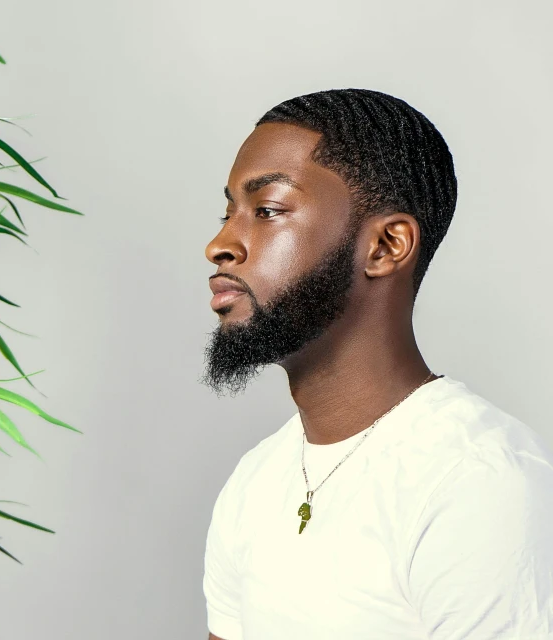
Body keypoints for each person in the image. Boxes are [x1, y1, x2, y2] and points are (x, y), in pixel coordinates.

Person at [199, 88, 553, 640]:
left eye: (266, 210)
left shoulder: (480, 482)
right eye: (228, 213)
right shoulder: (255, 482)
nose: (220, 244)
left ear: (386, 246)